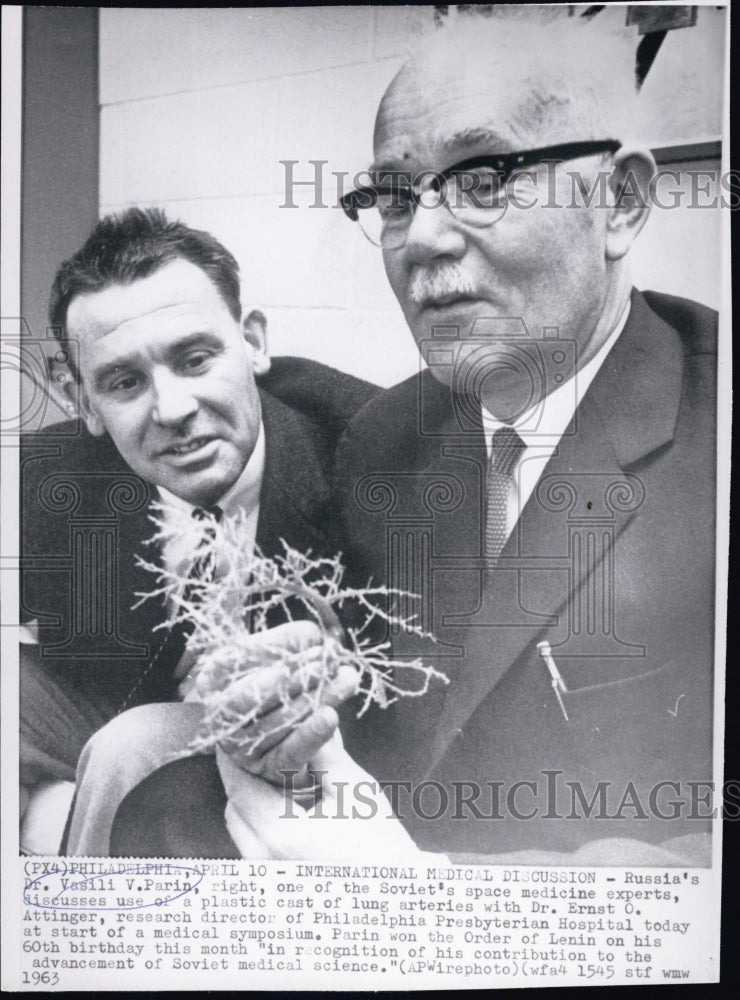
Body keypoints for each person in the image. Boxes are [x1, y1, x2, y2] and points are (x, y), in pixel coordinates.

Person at [111, 14, 717, 864]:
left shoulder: (716, 427)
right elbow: (388, 711)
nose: (422, 240)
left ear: (617, 201)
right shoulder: (386, 438)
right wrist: (300, 697)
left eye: (485, 179)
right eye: (395, 198)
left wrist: (416, 887)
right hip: (379, 857)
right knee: (154, 815)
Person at [20, 207, 376, 854]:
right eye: (125, 382)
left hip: (293, 722)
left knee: (127, 747)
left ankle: (77, 949)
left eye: (194, 359)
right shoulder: (50, 472)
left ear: (254, 344)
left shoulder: (373, 451)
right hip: (145, 687)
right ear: (83, 404)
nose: (173, 409)